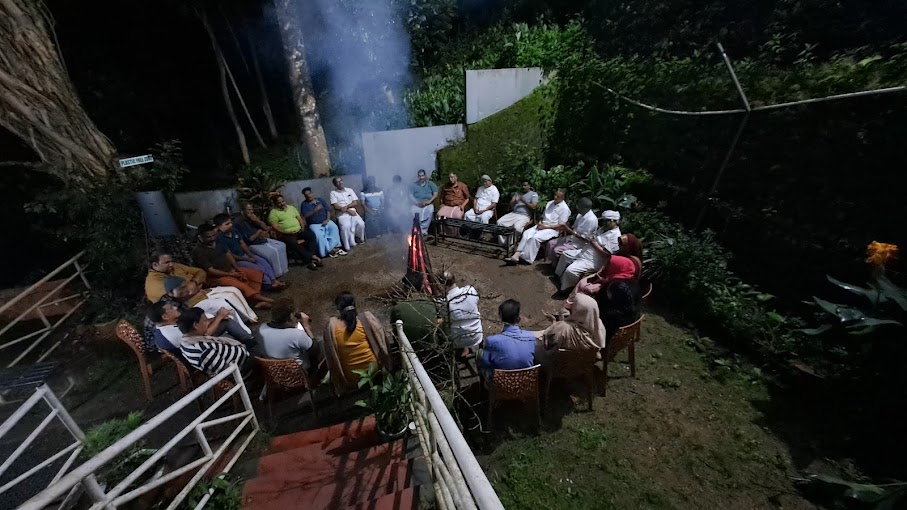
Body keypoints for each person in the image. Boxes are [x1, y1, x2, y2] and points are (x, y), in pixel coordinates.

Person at [191, 223, 273, 309]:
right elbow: (211, 271)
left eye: (213, 235)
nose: (212, 238)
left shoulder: (218, 241)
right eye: (208, 237)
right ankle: (268, 300)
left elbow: (228, 254)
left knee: (254, 274)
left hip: (230, 270)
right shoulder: (198, 251)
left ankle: (255, 300)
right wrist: (230, 274)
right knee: (240, 285)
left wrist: (236, 269)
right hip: (216, 278)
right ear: (200, 237)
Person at [322, 292, 391, 392]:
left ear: (338, 309)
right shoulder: (366, 319)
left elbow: (330, 358)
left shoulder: (331, 328)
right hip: (375, 372)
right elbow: (383, 340)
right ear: (355, 304)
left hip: (352, 378)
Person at [150, 299, 254, 354]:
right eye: (171, 308)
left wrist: (214, 319)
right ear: (165, 316)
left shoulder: (163, 327)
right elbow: (203, 336)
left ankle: (247, 342)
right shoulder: (173, 334)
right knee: (225, 322)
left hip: (194, 346)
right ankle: (250, 344)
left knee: (221, 320)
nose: (175, 307)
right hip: (199, 351)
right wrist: (219, 317)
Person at [213, 213, 286, 291]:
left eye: (231, 222)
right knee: (258, 268)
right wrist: (246, 260)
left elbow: (242, 244)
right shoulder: (220, 238)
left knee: (264, 262)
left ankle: (274, 281)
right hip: (237, 260)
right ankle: (269, 284)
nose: (231, 225)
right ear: (219, 227)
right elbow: (229, 255)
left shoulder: (234, 231)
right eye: (227, 224)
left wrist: (251, 255)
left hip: (245, 255)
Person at [555, 210, 622, 293]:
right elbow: (594, 238)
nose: (603, 223)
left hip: (594, 260)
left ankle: (567, 287)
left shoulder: (615, 236)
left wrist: (594, 243)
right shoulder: (602, 229)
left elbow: (607, 254)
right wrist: (590, 238)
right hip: (585, 251)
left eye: (606, 221)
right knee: (565, 255)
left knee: (571, 271)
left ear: (613, 221)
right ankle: (559, 277)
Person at [176, 307, 250, 374]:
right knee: (256, 344)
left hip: (239, 357)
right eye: (205, 320)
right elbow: (227, 372)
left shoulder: (186, 341)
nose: (208, 322)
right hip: (244, 364)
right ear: (195, 325)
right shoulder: (204, 351)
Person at [507, 189, 571, 264]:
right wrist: (540, 223)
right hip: (542, 225)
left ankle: (526, 258)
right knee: (527, 233)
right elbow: (543, 216)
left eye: (558, 196)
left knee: (535, 238)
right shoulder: (549, 203)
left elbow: (561, 226)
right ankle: (517, 254)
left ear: (563, 198)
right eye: (555, 195)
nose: (555, 197)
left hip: (552, 229)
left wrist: (545, 227)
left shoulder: (565, 209)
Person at [165, 276, 257, 329]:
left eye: (183, 286)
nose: (183, 287)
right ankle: (242, 325)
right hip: (197, 304)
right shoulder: (173, 299)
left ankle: (247, 317)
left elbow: (198, 279)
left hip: (203, 294)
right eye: (180, 287)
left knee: (232, 291)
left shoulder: (182, 281)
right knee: (224, 302)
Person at [479, 299, 536, 379]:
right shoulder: (530, 337)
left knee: (480, 354)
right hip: (525, 382)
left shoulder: (492, 341)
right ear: (518, 318)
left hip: (501, 384)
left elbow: (486, 362)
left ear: (501, 317)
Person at [258, 298, 320, 371]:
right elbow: (315, 350)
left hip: (275, 371)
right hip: (298, 372)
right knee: (322, 345)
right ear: (291, 316)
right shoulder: (296, 335)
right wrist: (306, 326)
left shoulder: (262, 329)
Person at [536, 293, 607, 357]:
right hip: (584, 363)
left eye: (574, 304)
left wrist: (554, 321)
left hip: (558, 362)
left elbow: (548, 340)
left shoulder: (564, 328)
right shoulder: (600, 326)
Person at [267, 194, 322, 269]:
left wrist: (302, 226)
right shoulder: (273, 213)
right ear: (275, 204)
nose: (282, 203)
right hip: (286, 234)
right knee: (293, 243)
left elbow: (299, 218)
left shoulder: (291, 208)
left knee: (311, 235)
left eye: (283, 201)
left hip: (299, 230)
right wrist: (286, 232)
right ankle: (312, 258)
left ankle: (310, 257)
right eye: (279, 203)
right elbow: (275, 227)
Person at [234, 203, 289, 278]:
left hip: (261, 239)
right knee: (271, 253)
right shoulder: (239, 223)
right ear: (242, 211)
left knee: (282, 245)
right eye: (249, 210)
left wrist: (257, 221)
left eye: (252, 209)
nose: (251, 211)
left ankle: (283, 270)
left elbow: (266, 228)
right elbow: (249, 239)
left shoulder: (252, 218)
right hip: (252, 244)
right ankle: (276, 273)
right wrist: (259, 232)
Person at [438, 271, 483, 350]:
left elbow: (442, 316)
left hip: (458, 341)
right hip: (477, 335)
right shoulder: (471, 290)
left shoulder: (443, 303)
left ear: (442, 285)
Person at [547, 198, 597, 267]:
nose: (577, 208)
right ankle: (553, 263)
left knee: (557, 250)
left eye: (579, 206)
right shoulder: (580, 215)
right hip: (572, 238)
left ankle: (556, 267)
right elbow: (574, 228)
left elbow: (585, 239)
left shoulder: (591, 220)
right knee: (551, 243)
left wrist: (568, 230)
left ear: (584, 208)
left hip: (579, 244)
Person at [300, 187, 344, 258]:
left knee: (334, 228)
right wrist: (315, 211)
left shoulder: (320, 200)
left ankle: (335, 248)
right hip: (314, 224)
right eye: (306, 195)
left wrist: (327, 219)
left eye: (309, 194)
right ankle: (326, 251)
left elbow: (327, 210)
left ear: (312, 193)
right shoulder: (304, 204)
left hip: (325, 220)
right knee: (319, 235)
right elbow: (305, 216)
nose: (309, 196)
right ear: (305, 196)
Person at [330, 177, 366, 251]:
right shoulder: (333, 193)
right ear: (335, 184)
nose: (340, 183)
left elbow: (355, 203)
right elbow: (336, 206)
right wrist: (348, 210)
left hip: (352, 211)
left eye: (341, 181)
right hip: (342, 214)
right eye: (337, 182)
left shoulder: (349, 190)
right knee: (346, 226)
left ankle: (358, 238)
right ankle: (347, 245)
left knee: (361, 223)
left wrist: (347, 207)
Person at [410, 169, 439, 236]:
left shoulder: (431, 184)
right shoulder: (414, 185)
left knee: (430, 210)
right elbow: (410, 195)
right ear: (418, 176)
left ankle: (423, 230)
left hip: (428, 203)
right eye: (420, 176)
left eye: (422, 176)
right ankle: (415, 229)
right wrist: (417, 203)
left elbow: (435, 194)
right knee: (412, 210)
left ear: (425, 175)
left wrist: (429, 202)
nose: (421, 177)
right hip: (417, 204)